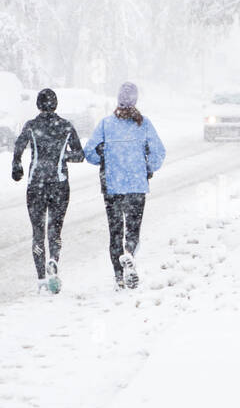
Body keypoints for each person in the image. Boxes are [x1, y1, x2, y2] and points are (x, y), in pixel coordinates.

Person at [84, 81, 166, 289]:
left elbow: (89, 152)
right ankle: (129, 252)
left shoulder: (106, 124)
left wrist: (104, 159)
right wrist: (148, 167)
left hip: (112, 186)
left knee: (115, 231)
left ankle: (119, 277)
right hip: (137, 185)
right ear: (135, 101)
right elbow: (159, 152)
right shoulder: (144, 124)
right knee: (133, 228)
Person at [11, 88, 84, 293]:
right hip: (60, 184)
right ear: (56, 104)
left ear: (38, 105)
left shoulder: (32, 126)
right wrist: (62, 157)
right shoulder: (66, 126)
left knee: (37, 232)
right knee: (55, 230)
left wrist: (17, 166)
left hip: (36, 184)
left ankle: (41, 280)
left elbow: (18, 147)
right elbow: (80, 155)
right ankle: (53, 260)